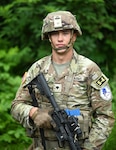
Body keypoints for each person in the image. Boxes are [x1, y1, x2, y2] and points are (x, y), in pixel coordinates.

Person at [11, 11, 115, 150]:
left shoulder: (90, 70)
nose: (60, 38)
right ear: (48, 37)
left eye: (65, 33)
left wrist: (90, 148)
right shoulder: (37, 69)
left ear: (74, 36)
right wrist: (33, 113)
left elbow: (105, 116)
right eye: (55, 33)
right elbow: (16, 106)